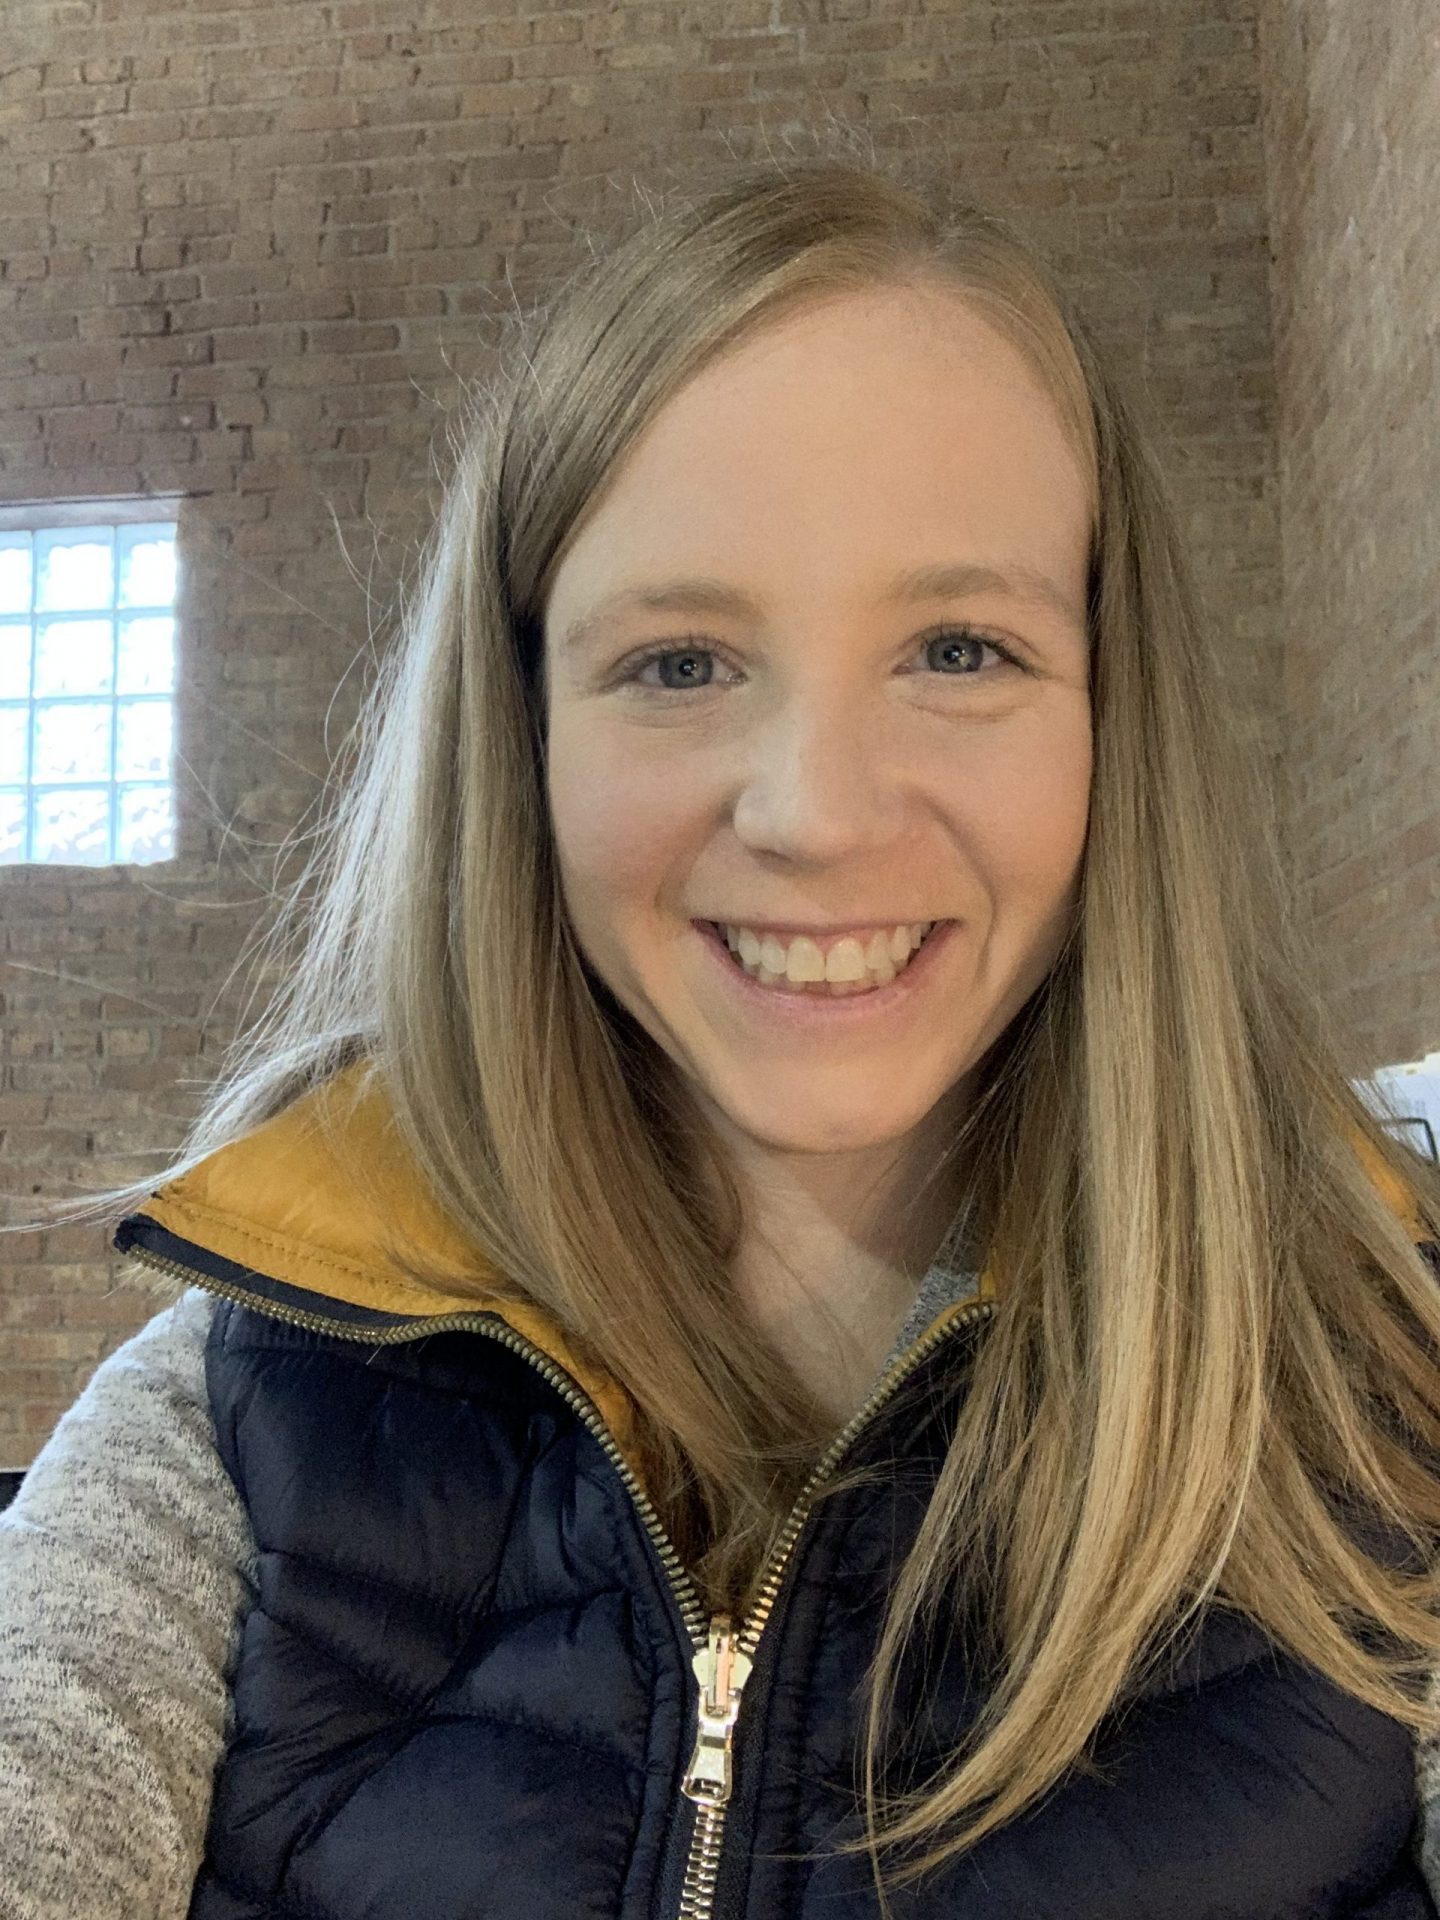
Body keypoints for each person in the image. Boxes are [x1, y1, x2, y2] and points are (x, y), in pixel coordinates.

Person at [5, 138, 1440, 1920]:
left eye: (961, 650)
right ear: (525, 741)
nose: (818, 815)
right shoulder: (231, 1423)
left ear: (1111, 716)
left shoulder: (1393, 1384)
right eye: (679, 663)